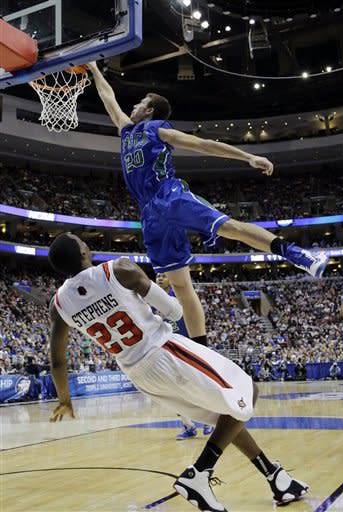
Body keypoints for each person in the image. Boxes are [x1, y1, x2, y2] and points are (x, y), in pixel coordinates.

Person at [48, 233, 309, 512]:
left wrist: (65, 399)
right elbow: (174, 312)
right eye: (81, 240)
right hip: (164, 351)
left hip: (139, 374)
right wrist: (163, 288)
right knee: (248, 391)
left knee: (229, 415)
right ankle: (198, 475)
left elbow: (57, 361)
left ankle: (275, 477)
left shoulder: (60, 304)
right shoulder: (119, 268)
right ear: (83, 251)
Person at [86, 61, 328, 350]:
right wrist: (93, 69)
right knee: (181, 286)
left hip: (169, 195)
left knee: (231, 228)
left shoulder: (154, 128)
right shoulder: (126, 131)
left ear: (150, 110)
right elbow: (108, 99)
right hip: (150, 212)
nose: (134, 106)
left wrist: (247, 157)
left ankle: (300, 256)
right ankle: (203, 352)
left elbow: (202, 145)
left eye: (140, 103)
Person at [156, 272, 214, 440]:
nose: (159, 278)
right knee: (176, 392)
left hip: (188, 347)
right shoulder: (153, 299)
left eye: (163, 276)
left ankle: (209, 422)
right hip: (169, 350)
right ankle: (188, 427)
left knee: (199, 386)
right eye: (157, 276)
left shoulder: (179, 296)